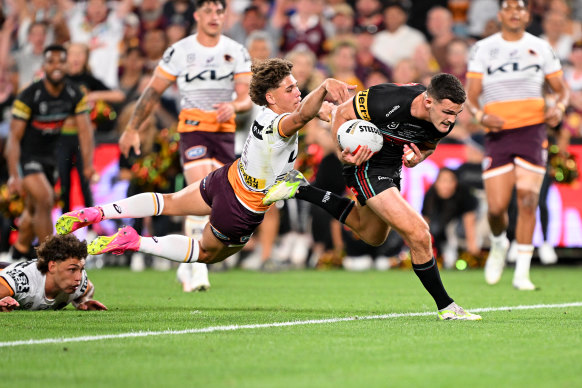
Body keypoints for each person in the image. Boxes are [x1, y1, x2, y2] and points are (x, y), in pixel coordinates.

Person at [54, 58, 348, 285]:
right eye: (290, 88)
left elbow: (307, 112)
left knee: (168, 202)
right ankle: (134, 241)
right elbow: (302, 115)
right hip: (242, 206)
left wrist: (325, 109)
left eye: (297, 86)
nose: (298, 91)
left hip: (227, 178)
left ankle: (98, 212)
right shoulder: (281, 123)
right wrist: (323, 89)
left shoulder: (267, 112)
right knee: (205, 253)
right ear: (271, 97)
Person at [264, 72, 482, 320]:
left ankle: (301, 188)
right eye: (448, 112)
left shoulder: (442, 120)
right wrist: (340, 152)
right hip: (363, 163)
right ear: (429, 101)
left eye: (456, 113)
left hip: (390, 165)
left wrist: (421, 155)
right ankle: (447, 307)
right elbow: (344, 113)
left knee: (372, 235)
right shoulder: (387, 99)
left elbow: (429, 145)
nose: (452, 119)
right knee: (419, 232)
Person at [117, 0, 253, 292]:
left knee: (214, 202)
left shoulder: (236, 50)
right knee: (201, 191)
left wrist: (234, 106)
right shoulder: (180, 51)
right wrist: (132, 128)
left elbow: (245, 96)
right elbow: (153, 91)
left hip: (224, 135)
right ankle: (199, 269)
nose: (214, 17)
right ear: (197, 15)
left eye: (219, 12)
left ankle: (185, 264)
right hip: (193, 130)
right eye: (208, 11)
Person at [465, 0, 569, 290]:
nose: (515, 12)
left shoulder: (542, 47)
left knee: (527, 201)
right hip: (498, 133)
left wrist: (558, 109)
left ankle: (522, 271)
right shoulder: (483, 48)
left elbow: (561, 91)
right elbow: (471, 95)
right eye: (509, 7)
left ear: (527, 14)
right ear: (500, 14)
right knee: (497, 209)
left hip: (533, 131)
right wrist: (481, 115)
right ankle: (499, 243)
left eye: (520, 8)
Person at [5, 44, 95, 261]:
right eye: (51, 61)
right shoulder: (30, 95)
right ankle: (50, 260)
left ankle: (16, 254)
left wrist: (89, 165)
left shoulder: (74, 92)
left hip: (51, 158)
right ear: (43, 65)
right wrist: (13, 175)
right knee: (45, 198)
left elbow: (85, 131)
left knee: (33, 210)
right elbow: (14, 138)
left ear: (66, 64)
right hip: (27, 158)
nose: (56, 66)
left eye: (60, 61)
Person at [0, 234, 107, 312]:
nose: (79, 277)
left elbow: (89, 287)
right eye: (72, 270)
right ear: (52, 266)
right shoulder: (23, 281)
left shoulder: (79, 281)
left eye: (81, 269)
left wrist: (84, 301)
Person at [422, 167, 480, 269]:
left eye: (450, 181)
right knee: (435, 228)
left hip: (475, 216)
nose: (447, 185)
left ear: (455, 183)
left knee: (457, 229)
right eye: (443, 181)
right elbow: (425, 219)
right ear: (437, 183)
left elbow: (469, 218)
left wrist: (472, 245)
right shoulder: (431, 194)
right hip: (445, 221)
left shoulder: (463, 192)